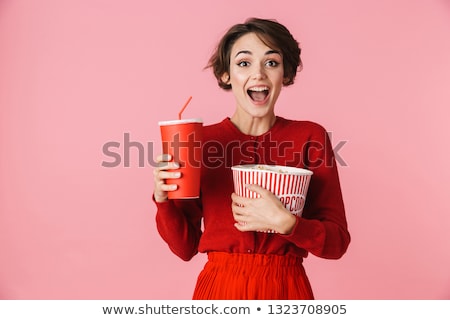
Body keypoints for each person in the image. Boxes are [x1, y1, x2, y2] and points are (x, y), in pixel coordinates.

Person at [153, 17, 350, 300]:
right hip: (219, 291)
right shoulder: (201, 142)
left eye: (271, 62)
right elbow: (185, 248)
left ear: (285, 73)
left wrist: (289, 223)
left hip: (286, 289)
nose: (258, 74)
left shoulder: (310, 137)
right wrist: (163, 200)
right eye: (244, 63)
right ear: (226, 74)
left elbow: (337, 242)